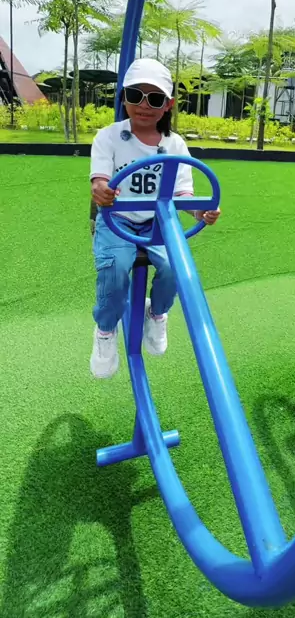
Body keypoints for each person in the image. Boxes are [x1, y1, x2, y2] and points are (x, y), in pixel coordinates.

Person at [89, 58, 221, 378]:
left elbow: (183, 192)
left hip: (158, 222)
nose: (144, 106)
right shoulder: (108, 137)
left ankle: (157, 313)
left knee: (176, 266)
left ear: (168, 105)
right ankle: (105, 330)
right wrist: (101, 191)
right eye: (136, 95)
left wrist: (199, 211)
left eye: (155, 98)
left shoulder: (174, 144)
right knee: (115, 268)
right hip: (117, 219)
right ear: (124, 98)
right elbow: (100, 181)